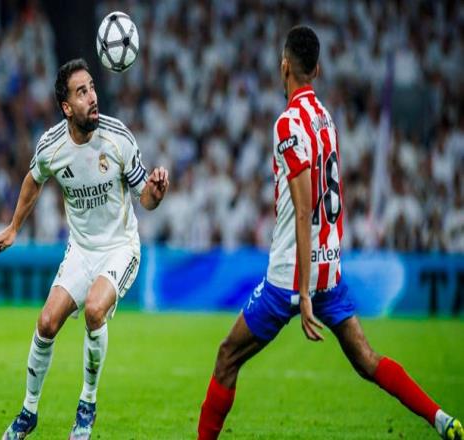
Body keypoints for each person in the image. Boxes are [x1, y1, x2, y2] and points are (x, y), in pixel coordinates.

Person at [196, 26, 462, 440]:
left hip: (291, 275)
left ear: (284, 66)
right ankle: (441, 418)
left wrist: (302, 292)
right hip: (329, 270)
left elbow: (305, 208)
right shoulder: (327, 118)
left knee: (227, 357)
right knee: (367, 360)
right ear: (317, 70)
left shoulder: (288, 124)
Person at [0, 58, 169, 440]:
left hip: (120, 247)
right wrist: (14, 226)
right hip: (81, 250)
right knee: (46, 323)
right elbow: (34, 179)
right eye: (82, 92)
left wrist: (156, 192)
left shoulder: (118, 137)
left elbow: (145, 198)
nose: (92, 97)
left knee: (94, 311)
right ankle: (28, 412)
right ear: (67, 107)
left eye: (92, 88)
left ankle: (87, 404)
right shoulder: (52, 146)